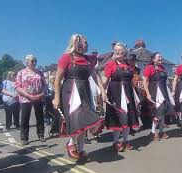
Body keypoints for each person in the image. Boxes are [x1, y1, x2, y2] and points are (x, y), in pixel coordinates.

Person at [53, 34, 107, 162]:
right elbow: (58, 78)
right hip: (71, 91)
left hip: (85, 90)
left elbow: (96, 76)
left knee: (85, 122)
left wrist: (103, 92)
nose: (87, 44)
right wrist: (56, 96)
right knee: (77, 119)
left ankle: (81, 149)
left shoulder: (88, 59)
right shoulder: (66, 58)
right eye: (85, 42)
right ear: (77, 43)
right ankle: (72, 143)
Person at [103, 42, 139, 152]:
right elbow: (105, 80)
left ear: (124, 52)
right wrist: (102, 93)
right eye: (115, 50)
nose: (117, 51)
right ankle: (115, 142)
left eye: (120, 49)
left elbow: (134, 79)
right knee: (117, 118)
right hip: (115, 93)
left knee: (127, 117)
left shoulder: (129, 65)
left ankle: (126, 141)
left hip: (128, 93)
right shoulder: (110, 64)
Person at [143, 52, 175, 140]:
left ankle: (161, 131)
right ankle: (153, 132)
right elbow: (145, 82)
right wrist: (148, 94)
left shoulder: (162, 68)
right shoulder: (149, 68)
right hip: (155, 92)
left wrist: (170, 91)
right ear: (153, 59)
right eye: (158, 57)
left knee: (163, 113)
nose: (160, 58)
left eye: (161, 56)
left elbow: (166, 81)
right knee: (158, 113)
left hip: (164, 92)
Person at [15, 55, 46, 145]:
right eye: (32, 61)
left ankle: (41, 134)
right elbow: (17, 86)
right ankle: (24, 138)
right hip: (25, 98)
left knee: (40, 117)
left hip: (38, 97)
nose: (34, 63)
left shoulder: (40, 72)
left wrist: (42, 94)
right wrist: (27, 95)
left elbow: (44, 85)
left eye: (35, 61)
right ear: (27, 62)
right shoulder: (21, 72)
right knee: (25, 118)